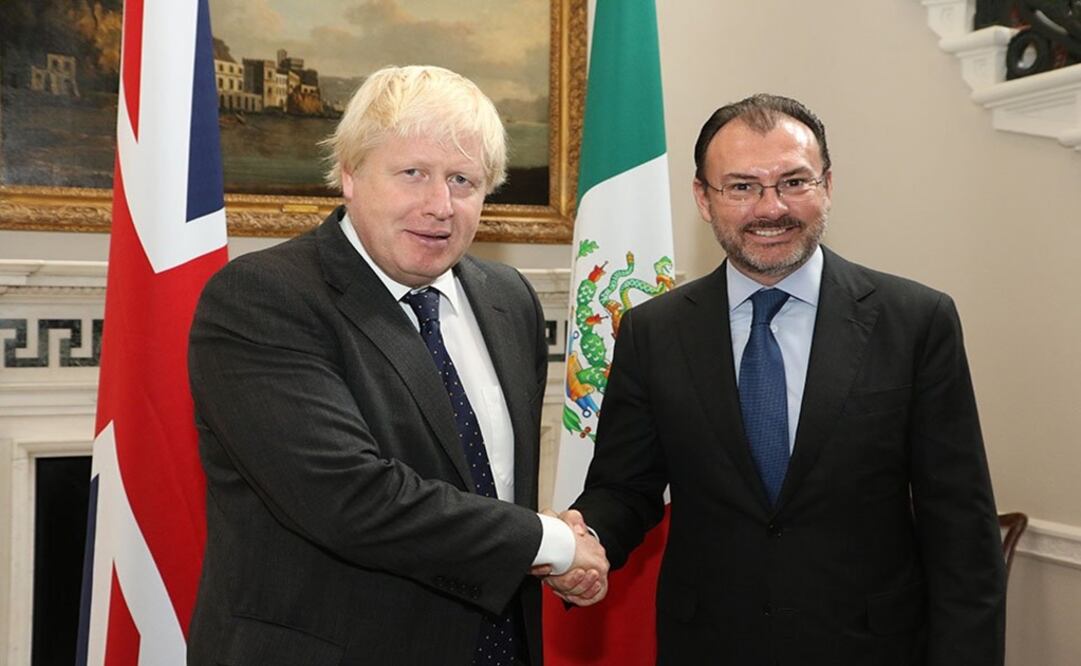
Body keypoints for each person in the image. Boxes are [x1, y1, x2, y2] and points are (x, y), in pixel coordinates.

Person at [558, 94, 1006, 665]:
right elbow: (626, 487)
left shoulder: (915, 321)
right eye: (742, 187)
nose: (771, 208)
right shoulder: (654, 331)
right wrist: (582, 540)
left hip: (873, 648)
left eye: (794, 182)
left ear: (827, 185)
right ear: (703, 197)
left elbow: (961, 529)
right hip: (709, 646)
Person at [186, 65, 607, 666]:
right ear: (350, 176)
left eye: (464, 180)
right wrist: (550, 541)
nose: (440, 206)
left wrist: (536, 550)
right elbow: (349, 500)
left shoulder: (508, 298)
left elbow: (487, 485)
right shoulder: (261, 297)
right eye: (414, 174)